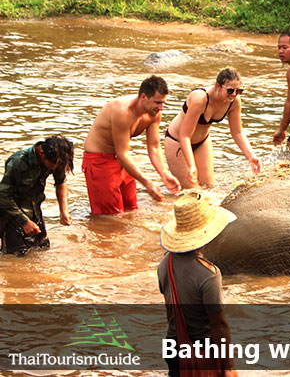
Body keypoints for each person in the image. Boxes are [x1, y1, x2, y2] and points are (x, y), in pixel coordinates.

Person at [158, 192, 238, 376]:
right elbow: (218, 325)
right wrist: (229, 367)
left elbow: (170, 310)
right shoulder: (208, 274)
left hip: (173, 346)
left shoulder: (165, 263)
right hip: (201, 352)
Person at [83, 76, 180, 215]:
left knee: (131, 210)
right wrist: (147, 183)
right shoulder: (123, 112)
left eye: (163, 102)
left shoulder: (154, 114)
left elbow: (153, 146)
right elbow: (122, 153)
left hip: (123, 161)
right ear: (143, 97)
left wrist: (163, 173)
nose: (161, 108)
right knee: (110, 217)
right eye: (157, 102)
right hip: (100, 161)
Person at [165, 68, 261, 189]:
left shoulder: (234, 101)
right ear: (218, 86)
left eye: (239, 91)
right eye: (230, 90)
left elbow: (237, 133)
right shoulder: (200, 99)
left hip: (202, 141)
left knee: (208, 188)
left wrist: (251, 156)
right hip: (177, 141)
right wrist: (191, 165)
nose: (234, 94)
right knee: (191, 191)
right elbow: (185, 136)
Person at [0, 135, 74, 255]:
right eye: (53, 165)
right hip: (13, 215)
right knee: (16, 258)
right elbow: (3, 196)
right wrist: (24, 222)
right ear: (41, 153)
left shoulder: (56, 159)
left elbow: (60, 183)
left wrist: (64, 211)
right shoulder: (18, 162)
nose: (55, 168)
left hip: (35, 213)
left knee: (42, 250)